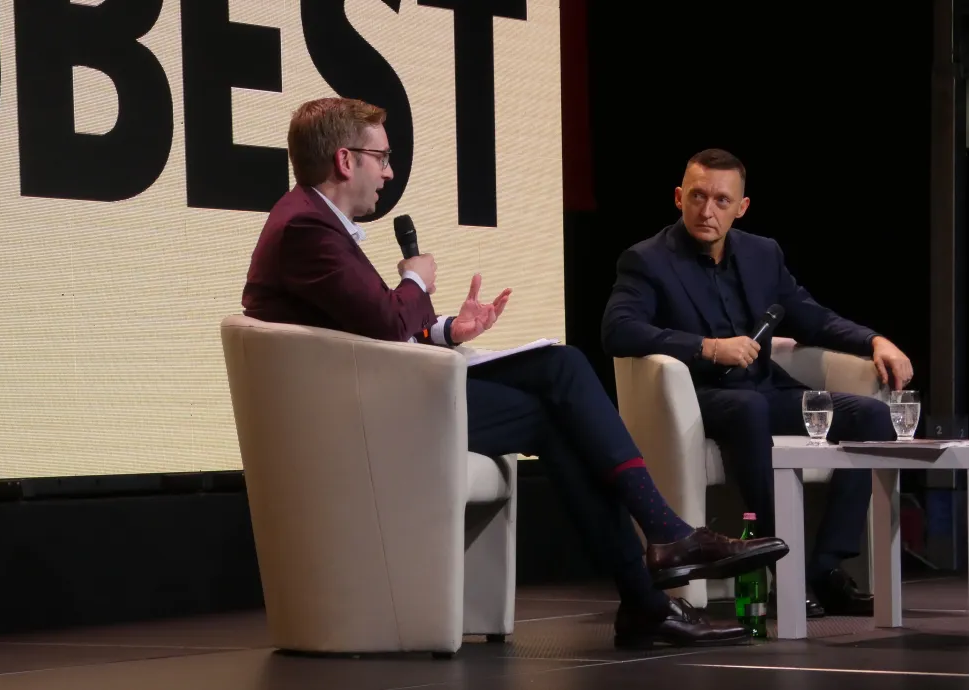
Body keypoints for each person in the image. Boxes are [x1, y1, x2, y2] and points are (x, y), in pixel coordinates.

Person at [241, 99, 789, 648]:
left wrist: (448, 330)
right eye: (381, 158)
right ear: (345, 160)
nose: (387, 172)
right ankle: (663, 548)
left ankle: (650, 593)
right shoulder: (306, 229)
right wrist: (415, 282)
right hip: (360, 416)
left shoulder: (315, 222)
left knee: (559, 390)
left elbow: (366, 329)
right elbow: (383, 322)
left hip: (380, 394)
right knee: (562, 375)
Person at [601, 148, 915, 618]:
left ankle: (825, 568)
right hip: (700, 398)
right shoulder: (647, 260)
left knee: (872, 415)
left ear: (741, 207)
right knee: (749, 409)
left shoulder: (762, 253)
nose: (707, 211)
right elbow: (618, 329)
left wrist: (874, 339)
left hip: (767, 390)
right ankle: (784, 568)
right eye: (697, 196)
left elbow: (811, 317)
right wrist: (708, 347)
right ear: (678, 197)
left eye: (722, 201)